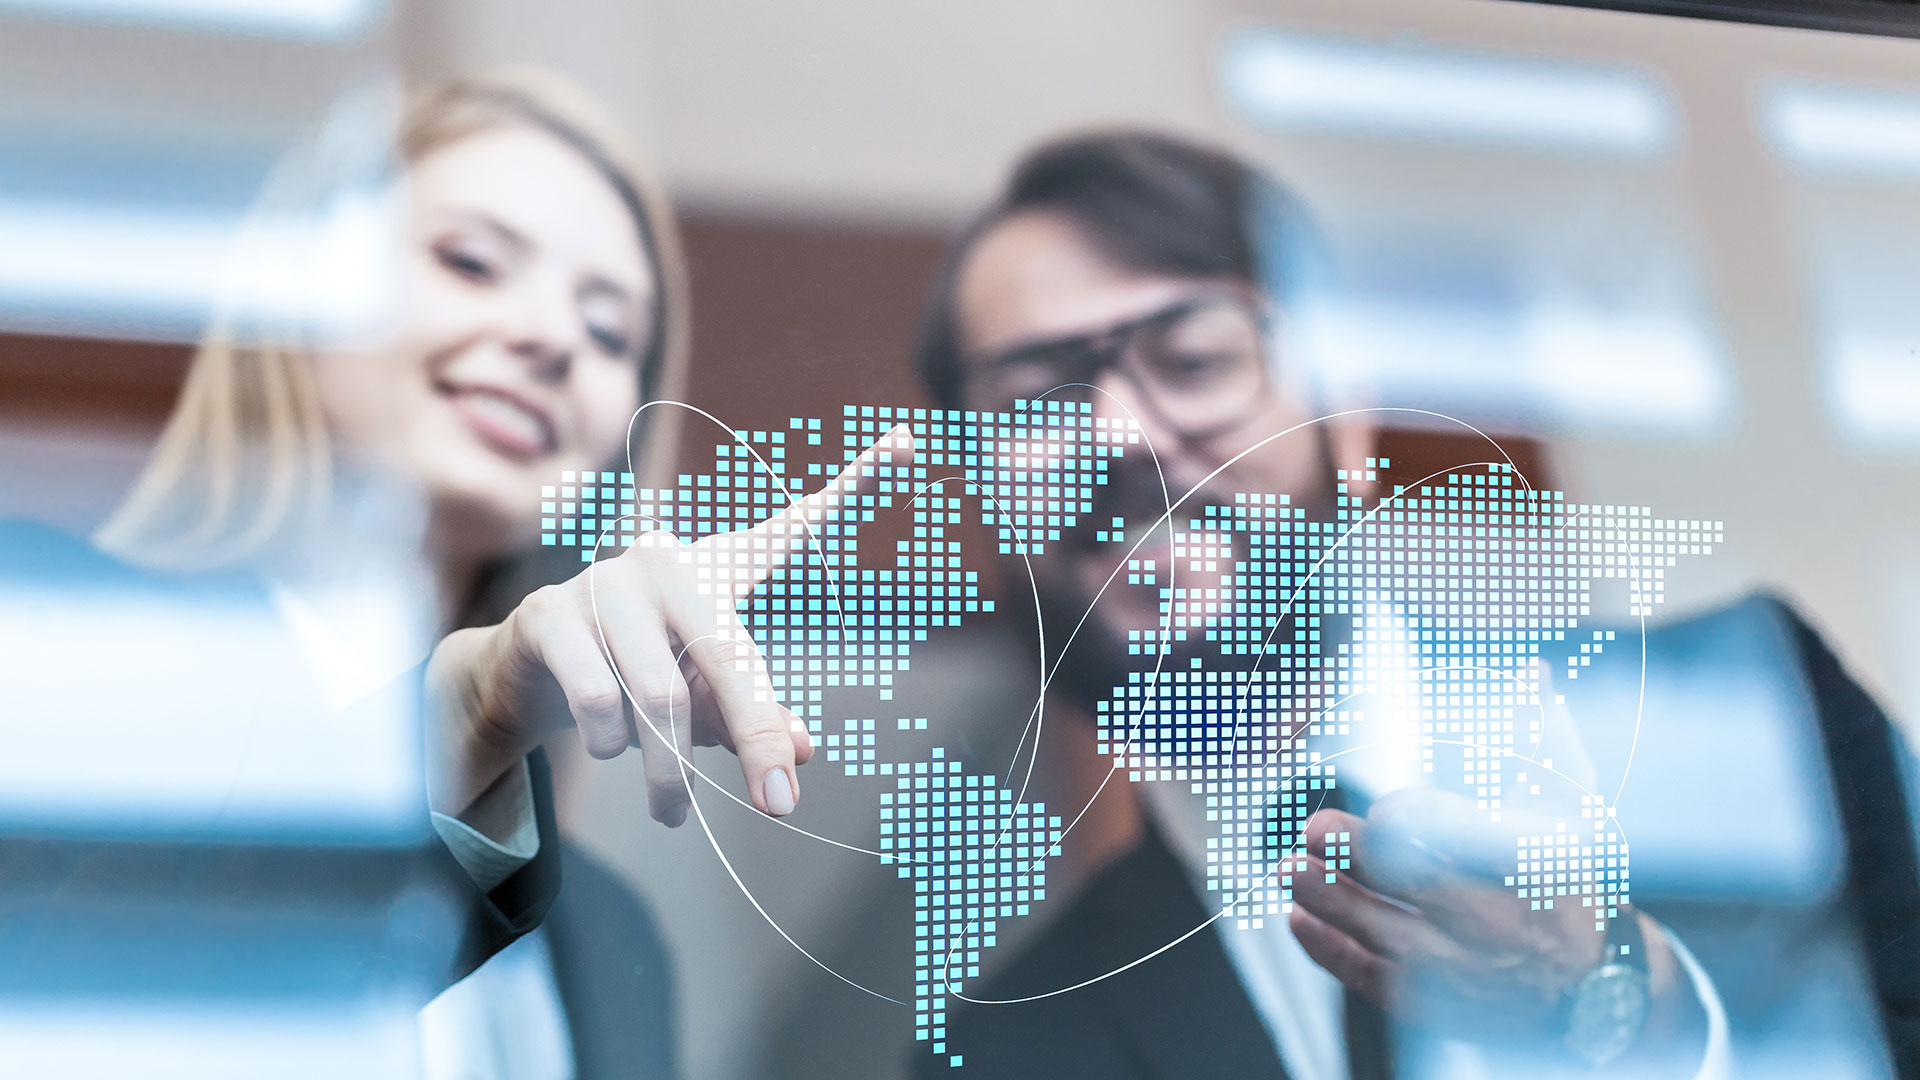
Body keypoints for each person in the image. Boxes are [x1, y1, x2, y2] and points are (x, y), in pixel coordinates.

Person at [906, 132, 1920, 1078]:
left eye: (1193, 360)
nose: (1123, 433)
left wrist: (1634, 1009)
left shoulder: (1759, 716)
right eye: (1035, 398)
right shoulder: (1002, 1051)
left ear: (1346, 418)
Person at [89, 70, 902, 1077]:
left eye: (610, 334)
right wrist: (462, 713)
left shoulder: (609, 941)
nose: (554, 338)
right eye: (473, 263)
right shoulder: (72, 683)